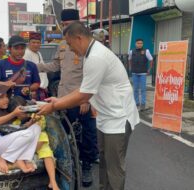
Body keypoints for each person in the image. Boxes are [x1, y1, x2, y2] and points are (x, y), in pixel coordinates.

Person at [38, 21, 140, 190]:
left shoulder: (96, 57)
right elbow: (84, 88)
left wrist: (54, 106)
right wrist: (59, 100)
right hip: (106, 116)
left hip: (118, 119)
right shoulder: (89, 54)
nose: (69, 49)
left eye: (69, 44)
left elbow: (84, 95)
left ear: (79, 38)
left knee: (114, 168)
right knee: (103, 162)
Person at [36, 9, 98, 187]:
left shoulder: (86, 43)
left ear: (77, 23)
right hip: (63, 97)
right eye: (63, 25)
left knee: (88, 133)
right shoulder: (62, 44)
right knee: (61, 131)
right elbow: (55, 65)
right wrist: (35, 66)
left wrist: (86, 99)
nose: (66, 27)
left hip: (81, 97)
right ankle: (63, 163)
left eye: (69, 24)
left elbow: (91, 73)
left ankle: (86, 164)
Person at [0, 84, 41, 174]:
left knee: (36, 128)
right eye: (1, 97)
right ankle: (2, 158)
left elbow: (12, 129)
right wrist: (13, 114)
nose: (6, 100)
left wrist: (30, 123)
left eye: (6, 96)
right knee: (28, 134)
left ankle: (23, 158)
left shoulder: (6, 109)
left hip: (8, 140)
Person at [7, 96, 59, 190]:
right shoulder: (14, 121)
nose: (22, 114)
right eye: (18, 112)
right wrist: (25, 127)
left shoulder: (35, 114)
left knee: (46, 150)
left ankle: (53, 181)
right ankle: (24, 159)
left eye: (23, 110)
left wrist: (34, 123)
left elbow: (42, 125)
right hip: (25, 143)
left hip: (39, 142)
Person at [0, 35, 40, 100]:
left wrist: (29, 88)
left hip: (26, 104)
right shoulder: (0, 64)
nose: (20, 51)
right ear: (9, 48)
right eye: (16, 48)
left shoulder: (31, 65)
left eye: (22, 48)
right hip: (6, 103)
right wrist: (5, 84)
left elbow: (37, 83)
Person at [128, 38, 153, 111]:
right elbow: (129, 59)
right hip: (134, 73)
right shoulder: (131, 51)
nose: (140, 44)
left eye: (141, 43)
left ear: (142, 44)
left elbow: (151, 60)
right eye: (138, 43)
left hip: (143, 73)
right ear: (135, 44)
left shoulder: (146, 51)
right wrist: (130, 67)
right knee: (135, 89)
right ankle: (136, 103)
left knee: (143, 89)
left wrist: (149, 69)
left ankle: (143, 104)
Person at [23, 32, 49, 101]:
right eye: (33, 42)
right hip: (34, 90)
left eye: (38, 42)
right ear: (29, 43)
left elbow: (42, 70)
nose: (36, 45)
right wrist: (31, 90)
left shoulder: (38, 53)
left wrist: (45, 85)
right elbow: (26, 74)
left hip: (42, 88)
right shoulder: (26, 54)